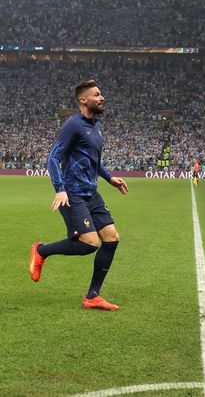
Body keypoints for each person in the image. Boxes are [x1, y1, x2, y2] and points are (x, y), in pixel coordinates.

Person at [28, 80, 128, 311]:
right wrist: (60, 188)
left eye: (101, 93)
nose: (102, 97)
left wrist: (109, 178)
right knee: (90, 243)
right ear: (84, 100)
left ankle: (93, 296)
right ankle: (41, 250)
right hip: (72, 193)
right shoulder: (73, 125)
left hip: (91, 193)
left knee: (111, 238)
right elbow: (54, 157)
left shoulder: (97, 126)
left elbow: (94, 161)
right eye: (97, 94)